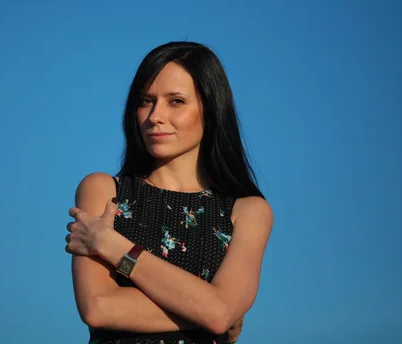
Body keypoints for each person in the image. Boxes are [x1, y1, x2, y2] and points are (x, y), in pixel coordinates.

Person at [65, 42, 274, 344]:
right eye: (145, 101)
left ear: (212, 110)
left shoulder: (248, 211)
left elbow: (219, 313)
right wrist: (205, 308)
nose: (154, 116)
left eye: (176, 101)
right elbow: (99, 307)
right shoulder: (104, 191)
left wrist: (110, 244)